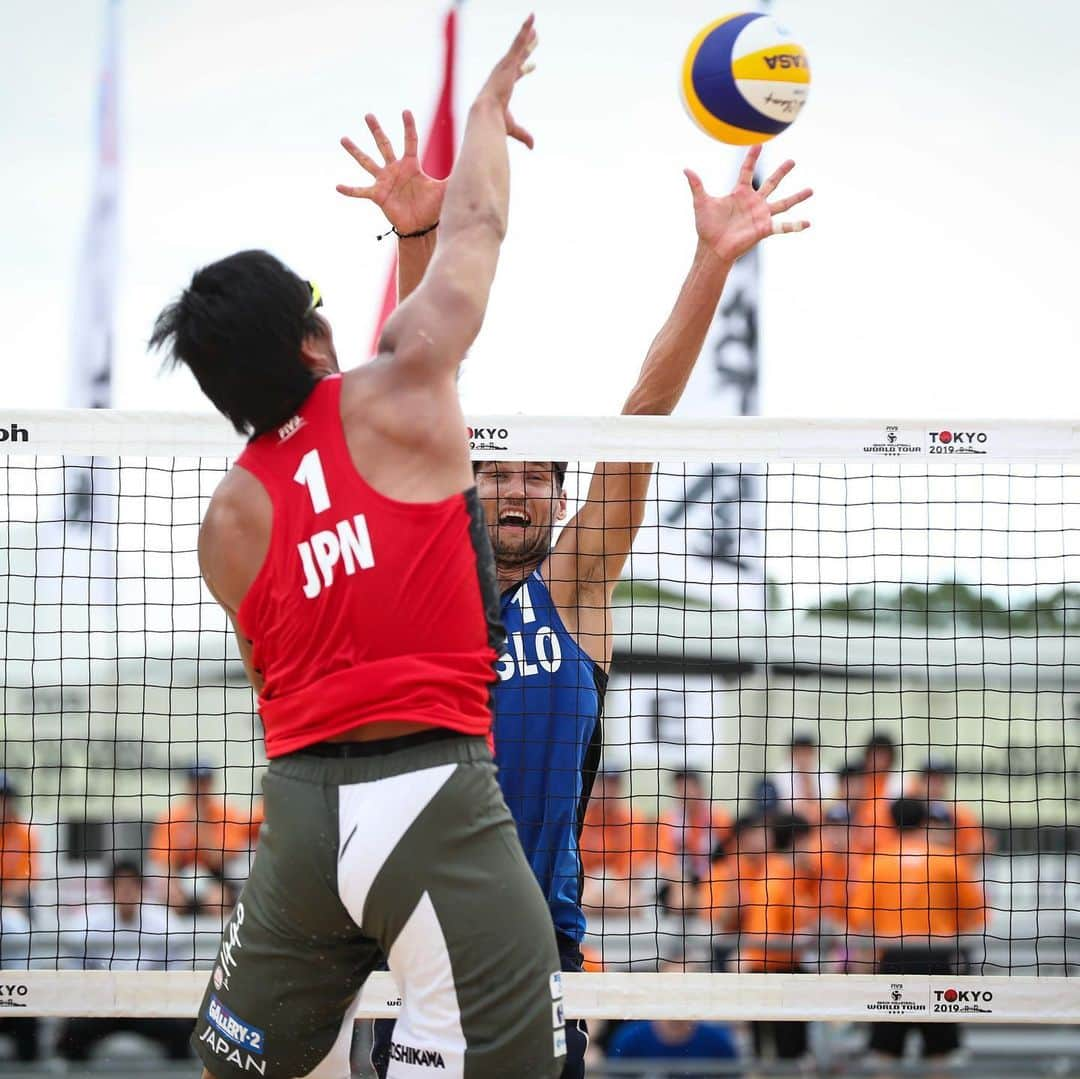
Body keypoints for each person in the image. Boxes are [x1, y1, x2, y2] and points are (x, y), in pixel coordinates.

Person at [347, 103, 812, 1079]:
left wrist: (711, 264)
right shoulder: (430, 578)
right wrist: (418, 236)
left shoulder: (577, 584)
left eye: (538, 473)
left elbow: (643, 414)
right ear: (464, 479)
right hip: (411, 934)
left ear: (561, 493)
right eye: (495, 468)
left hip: (537, 941)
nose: (515, 485)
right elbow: (417, 378)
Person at [152, 19, 566, 1079]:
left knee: (240, 1065)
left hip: (301, 818)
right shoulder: (404, 387)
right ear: (310, 338)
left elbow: (303, 636)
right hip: (435, 797)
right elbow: (480, 224)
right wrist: (481, 115)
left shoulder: (226, 522)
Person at [846, 797, 986, 1062]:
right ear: (924, 821)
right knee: (940, 1050)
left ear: (890, 822)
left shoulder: (876, 863)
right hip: (937, 959)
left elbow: (862, 923)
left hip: (892, 959)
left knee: (884, 1050)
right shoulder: (949, 861)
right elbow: (973, 916)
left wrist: (863, 969)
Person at [56, 860, 193, 1062]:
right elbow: (73, 968)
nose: (126, 891)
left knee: (182, 1030)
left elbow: (177, 970)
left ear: (141, 888)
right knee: (72, 1033)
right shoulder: (86, 923)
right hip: (103, 1006)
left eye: (132, 884)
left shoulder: (164, 921)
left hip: (149, 1006)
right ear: (109, 889)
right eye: (120, 885)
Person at [147, 762, 251, 915]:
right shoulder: (171, 817)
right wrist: (174, 886)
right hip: (180, 876)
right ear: (188, 784)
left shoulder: (227, 814)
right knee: (172, 898)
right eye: (195, 783)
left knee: (218, 901)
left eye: (204, 782)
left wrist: (200, 823)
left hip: (216, 877)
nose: (200, 789)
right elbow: (164, 862)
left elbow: (219, 859)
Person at [0, 773, 37, 912]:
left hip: (17, 899)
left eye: (5, 798)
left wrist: (6, 901)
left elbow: (26, 878)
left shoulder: (25, 833)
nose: (2, 803)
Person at [773, 733, 821, 823]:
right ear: (792, 753)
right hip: (790, 822)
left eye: (807, 752)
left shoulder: (825, 773)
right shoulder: (780, 775)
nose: (803, 757)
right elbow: (784, 807)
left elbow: (827, 805)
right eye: (800, 752)